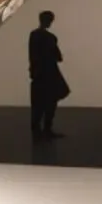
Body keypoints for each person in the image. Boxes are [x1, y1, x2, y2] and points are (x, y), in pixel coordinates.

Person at [28, 10, 70, 140]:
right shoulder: (50, 37)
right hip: (50, 74)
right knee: (50, 102)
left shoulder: (33, 35)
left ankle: (37, 130)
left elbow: (33, 56)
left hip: (37, 74)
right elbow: (58, 57)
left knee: (38, 104)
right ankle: (47, 129)